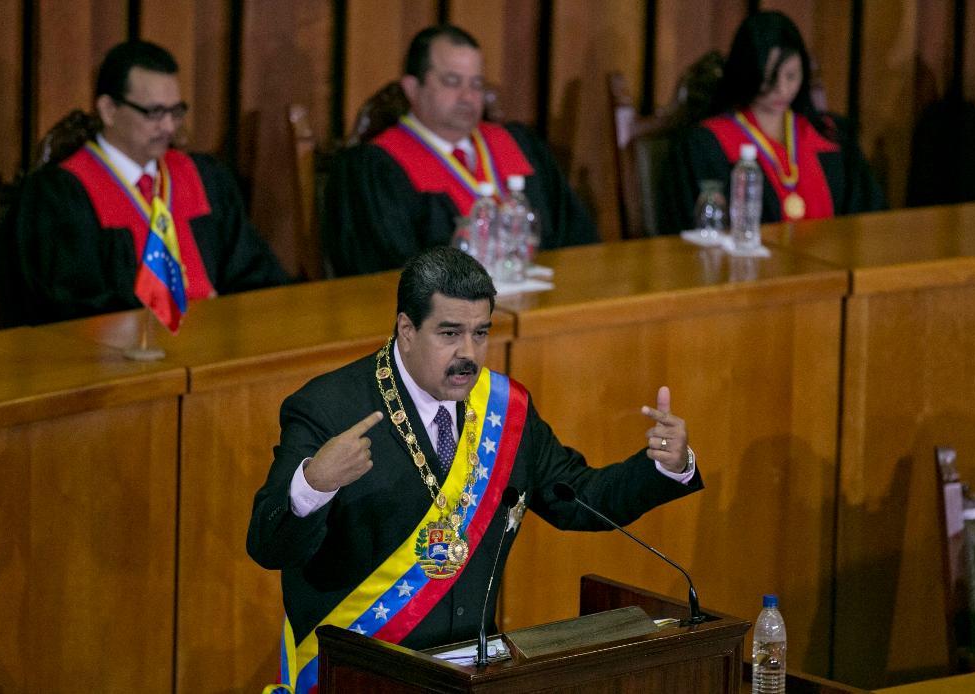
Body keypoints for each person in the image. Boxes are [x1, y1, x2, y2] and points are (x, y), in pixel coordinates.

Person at [247, 246, 701, 693]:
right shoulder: (327, 408)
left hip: (471, 677)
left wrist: (665, 467)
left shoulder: (505, 410)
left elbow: (579, 499)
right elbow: (268, 546)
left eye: (480, 333)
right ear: (406, 329)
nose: (469, 353)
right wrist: (313, 484)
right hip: (361, 676)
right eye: (449, 334)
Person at [0, 40, 288, 326]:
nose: (169, 127)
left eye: (176, 111)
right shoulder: (59, 196)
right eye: (155, 113)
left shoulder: (204, 177)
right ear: (109, 110)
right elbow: (67, 307)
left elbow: (256, 274)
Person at [324, 25, 598, 277]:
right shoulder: (374, 168)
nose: (468, 97)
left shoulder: (521, 144)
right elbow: (383, 277)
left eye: (476, 84)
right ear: (412, 88)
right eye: (452, 82)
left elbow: (578, 243)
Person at [664, 11, 885, 233]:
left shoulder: (831, 135)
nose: (782, 89)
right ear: (747, 74)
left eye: (791, 76)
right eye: (769, 78)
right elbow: (700, 230)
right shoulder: (707, 145)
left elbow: (868, 220)